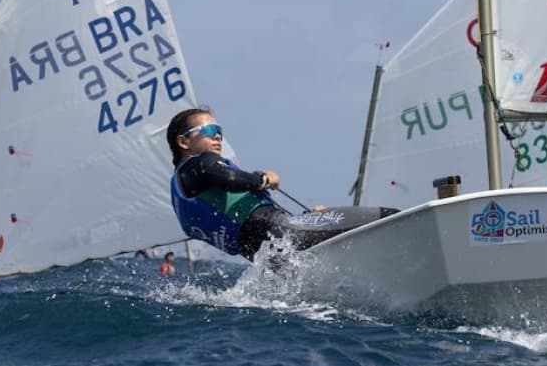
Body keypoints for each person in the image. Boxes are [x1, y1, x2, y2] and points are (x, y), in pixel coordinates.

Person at [166, 108, 392, 261]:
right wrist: (263, 178)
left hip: (264, 254)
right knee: (388, 216)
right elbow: (231, 180)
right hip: (283, 233)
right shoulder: (203, 162)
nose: (217, 138)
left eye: (219, 132)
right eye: (209, 131)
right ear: (183, 141)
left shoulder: (181, 190)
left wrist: (308, 216)